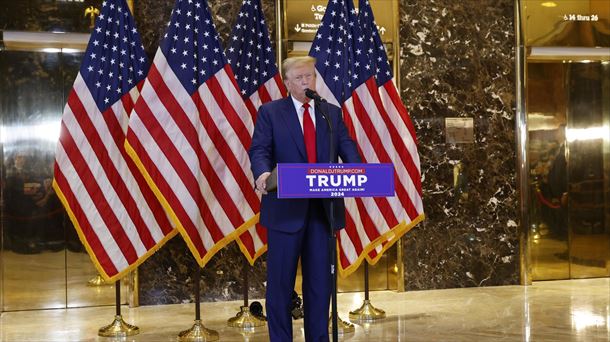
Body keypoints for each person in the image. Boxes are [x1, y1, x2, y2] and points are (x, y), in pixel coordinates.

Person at [249, 56, 361, 341]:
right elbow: (260, 150)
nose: (306, 82)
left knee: (319, 286)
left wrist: (358, 171)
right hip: (285, 213)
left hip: (322, 213)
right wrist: (262, 174)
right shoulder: (271, 112)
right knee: (280, 287)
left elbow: (348, 149)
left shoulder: (330, 113)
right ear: (287, 83)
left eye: (309, 76)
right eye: (299, 78)